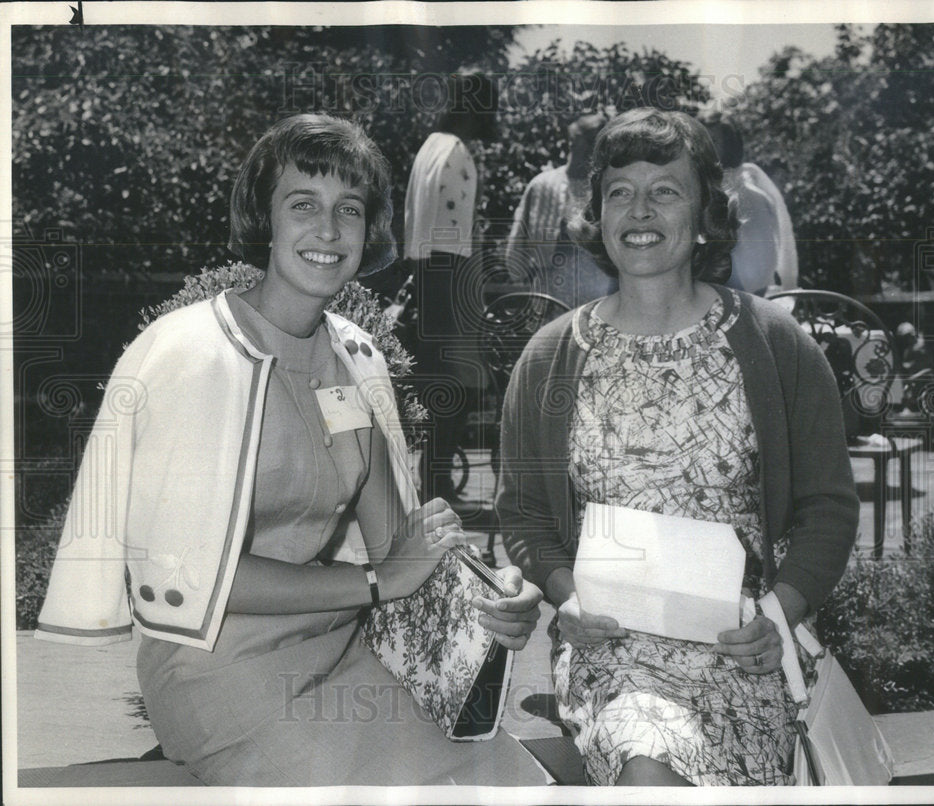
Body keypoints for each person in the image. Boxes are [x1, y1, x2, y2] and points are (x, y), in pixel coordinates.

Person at [35, 114, 547, 787]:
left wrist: (494, 592)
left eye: (350, 210)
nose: (328, 231)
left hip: (343, 650)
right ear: (264, 219)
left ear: (370, 232)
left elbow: (397, 548)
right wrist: (375, 582)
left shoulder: (357, 356)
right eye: (303, 205)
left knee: (507, 780)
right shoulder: (191, 353)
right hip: (213, 671)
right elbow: (192, 580)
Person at [497, 108, 859, 786]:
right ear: (596, 214)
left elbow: (828, 508)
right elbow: (521, 516)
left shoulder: (775, 344)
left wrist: (779, 611)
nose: (641, 209)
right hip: (610, 650)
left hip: (745, 648)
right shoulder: (549, 357)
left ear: (704, 216)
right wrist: (565, 595)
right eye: (620, 191)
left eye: (666, 189)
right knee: (648, 761)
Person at [404, 72, 498, 503]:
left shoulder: (429, 146)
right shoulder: (456, 152)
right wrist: (458, 304)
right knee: (457, 389)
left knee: (442, 388)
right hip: (448, 278)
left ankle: (434, 483)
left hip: (426, 276)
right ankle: (437, 486)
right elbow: (450, 238)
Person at [504, 112, 617, 308]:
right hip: (547, 288)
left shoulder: (608, 190)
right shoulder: (542, 185)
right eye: (589, 140)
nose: (594, 149)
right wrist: (517, 276)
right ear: (572, 141)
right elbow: (518, 236)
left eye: (601, 143)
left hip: (596, 291)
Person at [705, 118, 799, 295]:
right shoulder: (700, 189)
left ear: (731, 147)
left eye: (713, 141)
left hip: (742, 298)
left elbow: (759, 269)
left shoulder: (751, 198)